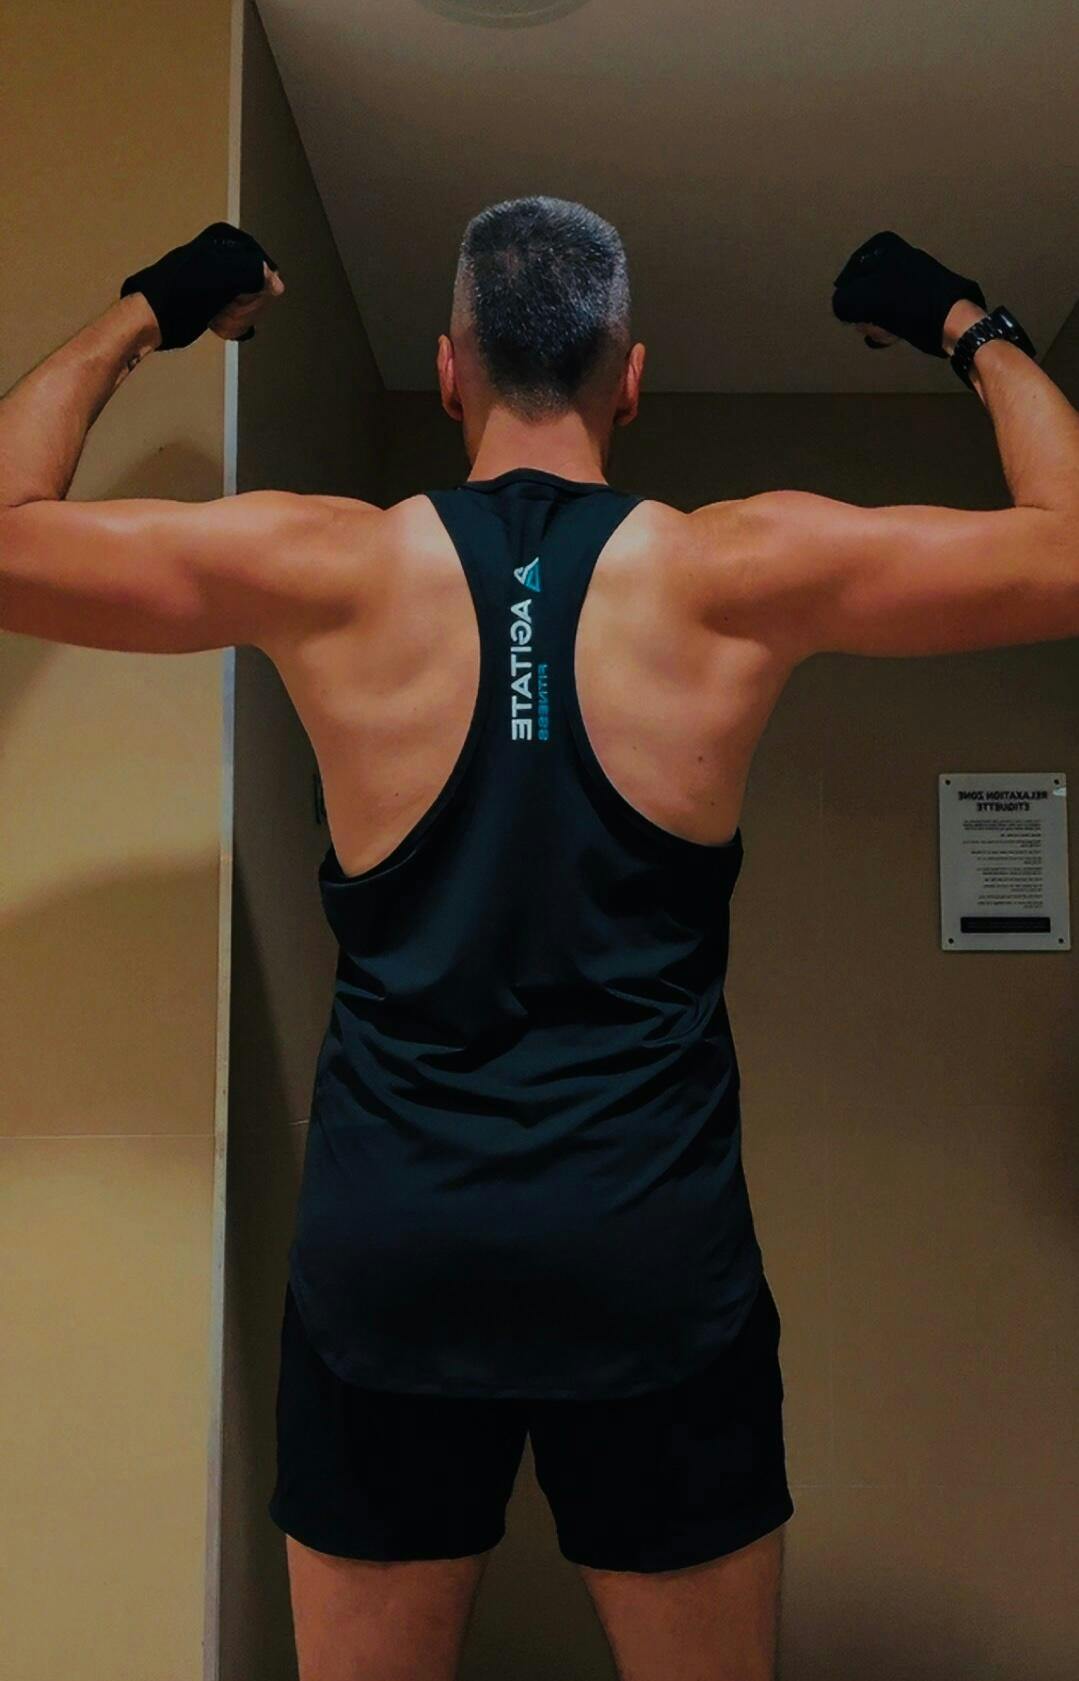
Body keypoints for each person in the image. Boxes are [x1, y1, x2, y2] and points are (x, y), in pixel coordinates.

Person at [1, 203, 1074, 1681]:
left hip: (394, 1258)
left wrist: (149, 310)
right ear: (630, 378)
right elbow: (1066, 546)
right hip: (649, 1259)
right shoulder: (731, 569)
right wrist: (967, 324)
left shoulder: (331, 563)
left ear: (449, 371)